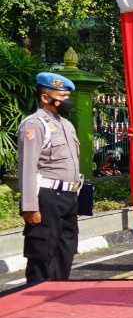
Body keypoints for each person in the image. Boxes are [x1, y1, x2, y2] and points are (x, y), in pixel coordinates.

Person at [16, 72, 82, 285]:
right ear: (46, 97)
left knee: (65, 251)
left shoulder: (66, 125)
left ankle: (57, 296)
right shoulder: (34, 125)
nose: (67, 100)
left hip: (68, 197)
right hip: (47, 197)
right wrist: (29, 207)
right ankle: (34, 300)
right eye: (63, 95)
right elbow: (27, 168)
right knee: (42, 254)